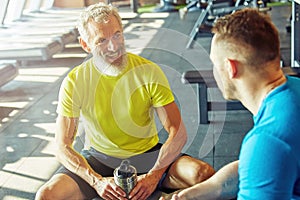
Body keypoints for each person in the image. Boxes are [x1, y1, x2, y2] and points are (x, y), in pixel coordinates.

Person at [35, 3, 215, 200]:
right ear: (85, 45)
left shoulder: (149, 71)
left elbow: (178, 132)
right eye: (101, 40)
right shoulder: (75, 81)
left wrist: (154, 175)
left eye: (117, 35)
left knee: (203, 175)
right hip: (99, 159)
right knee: (47, 195)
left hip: (148, 155)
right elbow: (62, 146)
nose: (113, 46)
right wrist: (96, 181)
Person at [161, 8, 300, 200]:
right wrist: (191, 194)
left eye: (214, 64)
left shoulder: (268, 141)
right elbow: (254, 165)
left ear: (230, 67)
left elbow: (265, 154)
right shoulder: (291, 93)